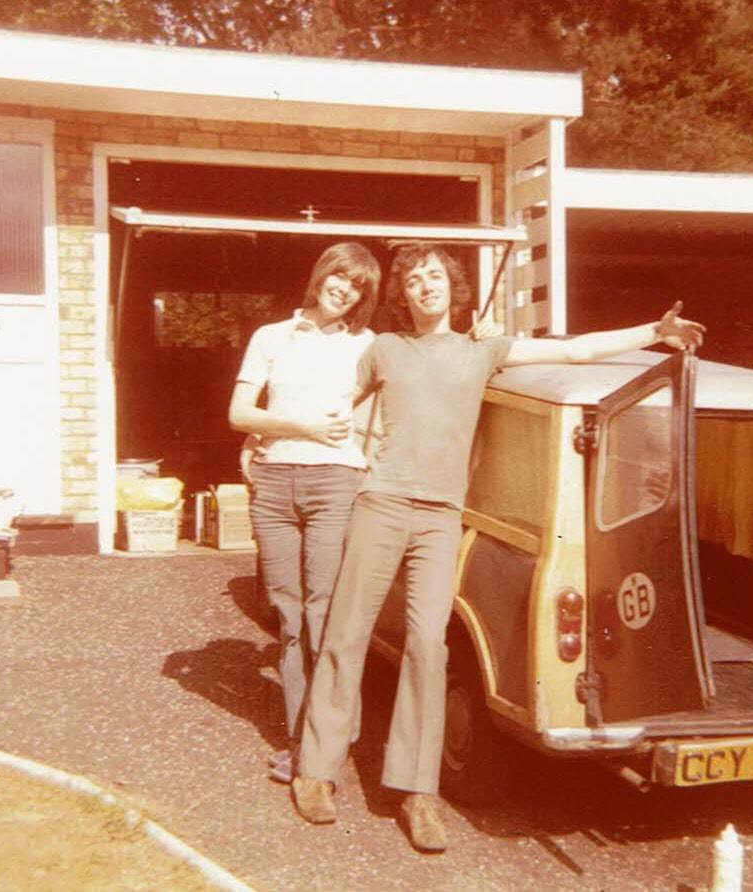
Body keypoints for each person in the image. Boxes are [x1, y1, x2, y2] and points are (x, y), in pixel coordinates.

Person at [290, 242, 706, 852]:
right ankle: (316, 770)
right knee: (346, 635)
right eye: (414, 279)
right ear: (402, 294)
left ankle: (417, 791)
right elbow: (328, 407)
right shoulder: (384, 349)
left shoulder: (482, 349)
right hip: (380, 504)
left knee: (427, 647)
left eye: (435, 275)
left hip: (440, 517)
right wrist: (283, 439)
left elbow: (574, 349)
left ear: (452, 288)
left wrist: (655, 332)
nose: (425, 285)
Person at [228, 242, 381, 784]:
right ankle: (301, 741)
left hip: (334, 483)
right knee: (289, 616)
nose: (345, 289)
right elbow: (239, 412)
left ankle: (333, 739)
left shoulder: (367, 345)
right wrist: (296, 428)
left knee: (325, 612)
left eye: (357, 285)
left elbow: (406, 385)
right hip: (273, 484)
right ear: (320, 276)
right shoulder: (271, 337)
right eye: (340, 276)